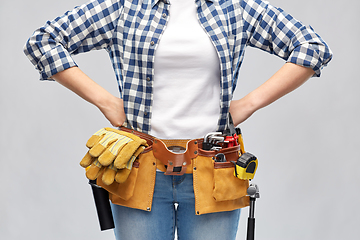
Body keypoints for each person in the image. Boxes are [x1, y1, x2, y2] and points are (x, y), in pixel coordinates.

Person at [24, 0, 332, 239]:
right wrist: (105, 101)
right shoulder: (124, 8)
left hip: (214, 167)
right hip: (139, 164)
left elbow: (312, 48)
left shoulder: (235, 8)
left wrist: (249, 104)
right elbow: (43, 41)